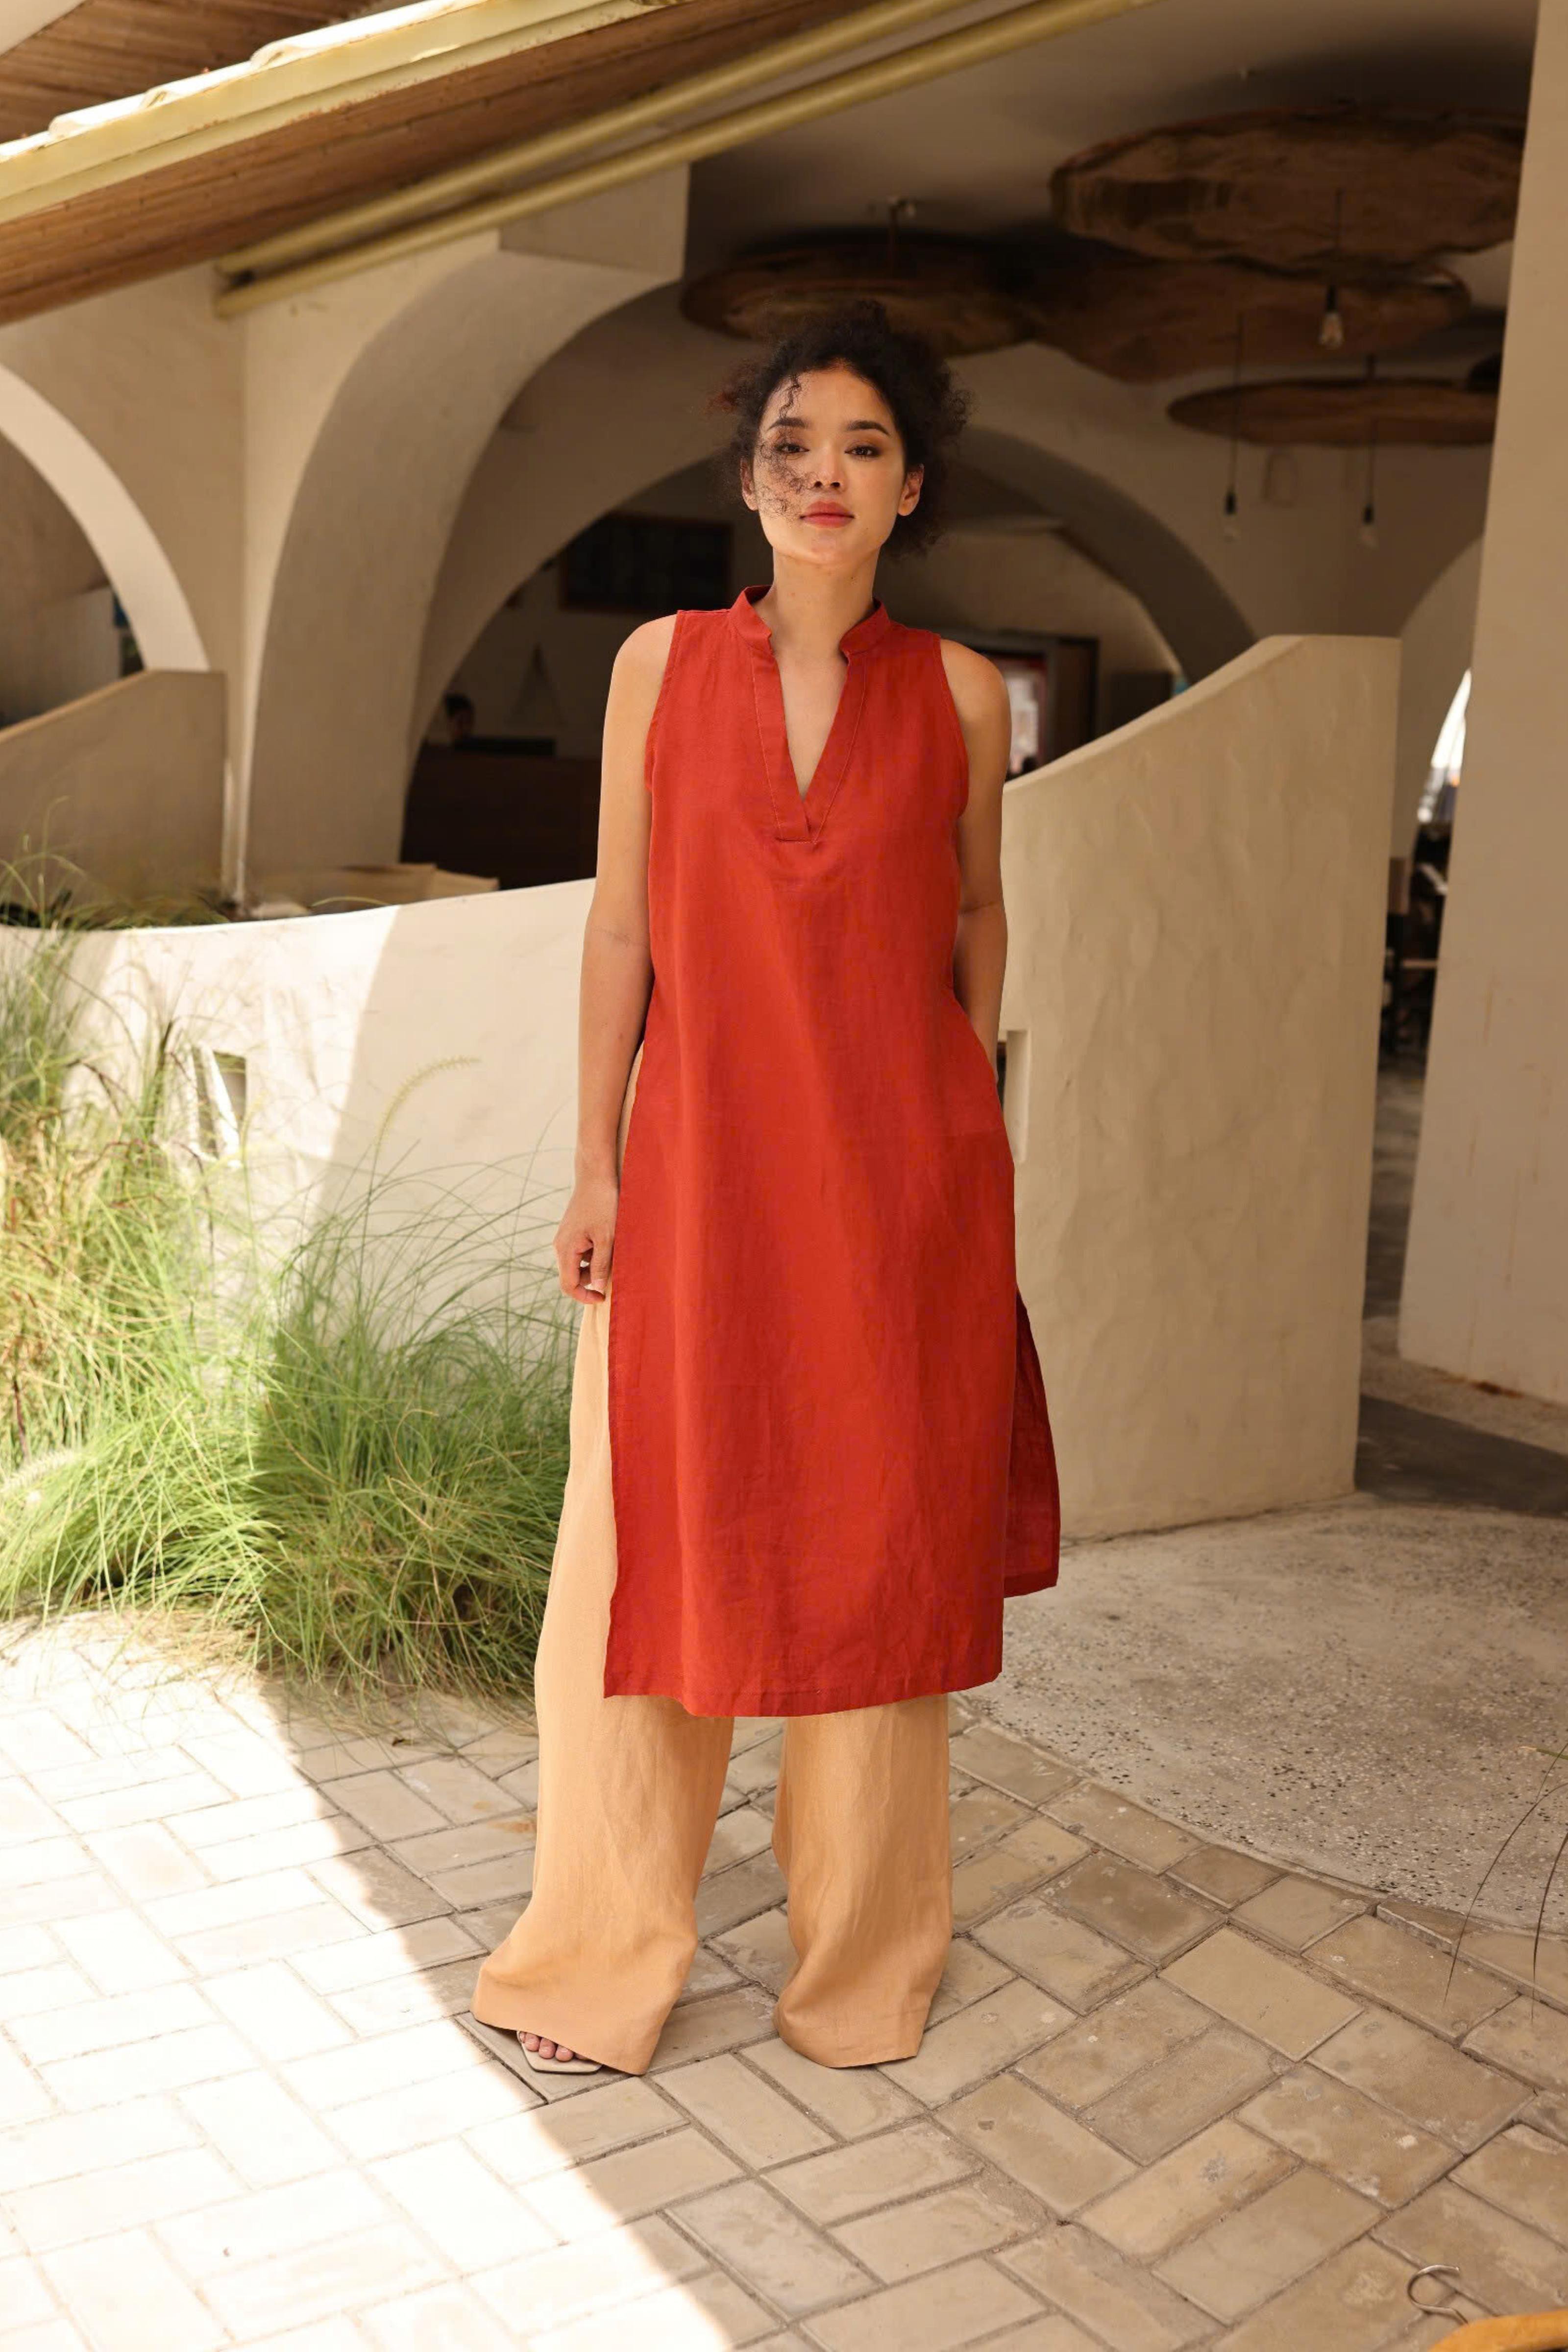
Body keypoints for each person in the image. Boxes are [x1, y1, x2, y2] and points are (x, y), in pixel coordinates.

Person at [471, 299, 1060, 2078]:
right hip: (699, 1179)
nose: (822, 476)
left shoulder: (961, 695)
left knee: (879, 1560)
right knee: (648, 1551)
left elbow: (975, 913)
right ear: (749, 481)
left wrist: (954, 1122)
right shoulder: (660, 666)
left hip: (898, 1189)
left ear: (910, 489)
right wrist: (595, 1156)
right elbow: (623, 928)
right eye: (793, 446)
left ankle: (866, 1955)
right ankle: (604, 1945)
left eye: (860, 448)